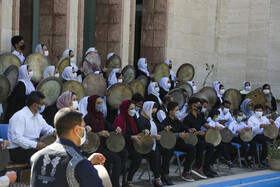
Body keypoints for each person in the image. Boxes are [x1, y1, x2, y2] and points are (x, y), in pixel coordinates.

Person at [30, 108, 105, 187]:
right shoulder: (81, 164)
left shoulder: (36, 157)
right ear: (76, 129)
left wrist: (87, 163)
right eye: (83, 126)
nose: (84, 131)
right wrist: (86, 165)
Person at [84, 95, 128, 187]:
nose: (100, 105)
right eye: (98, 103)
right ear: (92, 104)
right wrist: (99, 133)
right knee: (116, 159)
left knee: (124, 153)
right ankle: (115, 184)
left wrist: (117, 129)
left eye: (101, 103)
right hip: (95, 148)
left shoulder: (101, 116)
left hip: (104, 145)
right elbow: (87, 136)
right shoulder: (87, 118)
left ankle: (113, 178)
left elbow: (110, 127)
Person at [8, 91, 55, 164]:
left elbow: (47, 129)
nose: (44, 106)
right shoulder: (19, 116)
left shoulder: (38, 117)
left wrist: (54, 131)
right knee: (43, 158)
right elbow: (17, 139)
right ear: (34, 105)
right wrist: (35, 145)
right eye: (42, 104)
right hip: (18, 151)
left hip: (33, 148)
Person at [162, 101, 197, 182]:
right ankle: (164, 174)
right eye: (176, 110)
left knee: (191, 148)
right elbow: (166, 136)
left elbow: (184, 126)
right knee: (168, 151)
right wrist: (178, 135)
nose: (178, 112)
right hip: (169, 143)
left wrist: (189, 129)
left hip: (178, 143)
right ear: (171, 112)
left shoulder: (176, 120)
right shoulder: (166, 121)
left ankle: (186, 172)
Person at [183, 97, 217, 178]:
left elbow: (205, 125)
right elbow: (187, 132)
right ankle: (197, 167)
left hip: (199, 138)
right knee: (201, 144)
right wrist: (198, 133)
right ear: (193, 106)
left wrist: (213, 128)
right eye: (198, 105)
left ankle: (206, 168)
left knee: (211, 146)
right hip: (191, 139)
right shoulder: (188, 118)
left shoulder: (200, 115)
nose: (200, 106)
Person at [112, 100, 141, 186]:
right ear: (125, 109)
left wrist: (144, 130)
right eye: (131, 108)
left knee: (139, 156)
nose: (133, 110)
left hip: (132, 143)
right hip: (122, 144)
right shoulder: (119, 118)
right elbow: (119, 135)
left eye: (134, 108)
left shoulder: (133, 118)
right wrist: (131, 137)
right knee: (132, 155)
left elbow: (139, 128)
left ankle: (129, 179)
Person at [137, 101, 163, 186]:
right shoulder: (141, 120)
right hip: (143, 145)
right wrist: (153, 136)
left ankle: (162, 174)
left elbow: (158, 126)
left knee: (165, 151)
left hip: (151, 144)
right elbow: (142, 135)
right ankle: (157, 178)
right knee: (155, 154)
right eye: (153, 111)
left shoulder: (150, 119)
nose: (153, 113)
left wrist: (165, 127)